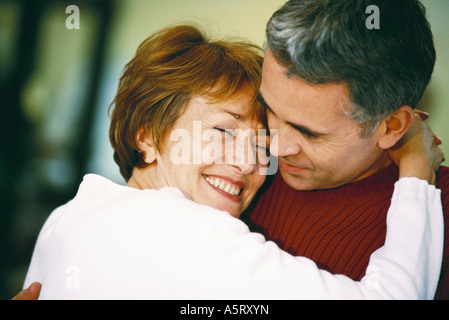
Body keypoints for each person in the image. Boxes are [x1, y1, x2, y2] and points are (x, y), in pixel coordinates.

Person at [21, 25, 443, 300]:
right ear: (146, 135)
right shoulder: (192, 232)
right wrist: (416, 172)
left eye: (262, 144)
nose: (250, 162)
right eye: (223, 131)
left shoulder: (66, 218)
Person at [241, 0, 449, 299]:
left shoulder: (440, 217)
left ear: (391, 126)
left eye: (308, 133)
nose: (275, 147)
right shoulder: (234, 162)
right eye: (269, 109)